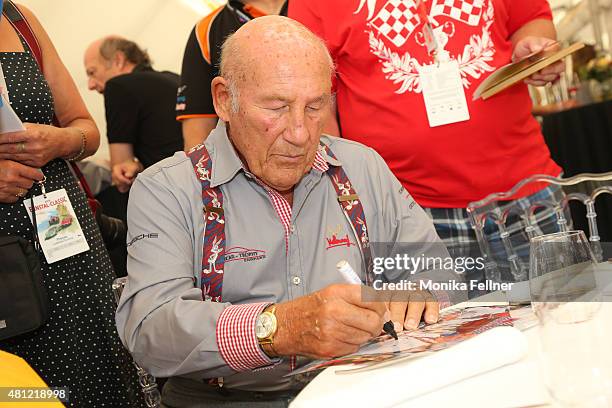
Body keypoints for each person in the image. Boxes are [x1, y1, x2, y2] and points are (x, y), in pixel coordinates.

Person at [117, 16, 456, 406]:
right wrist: (279, 327)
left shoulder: (360, 166)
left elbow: (436, 271)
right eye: (276, 107)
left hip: (359, 390)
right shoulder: (168, 188)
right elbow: (151, 331)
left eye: (315, 106)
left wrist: (419, 293)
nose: (300, 133)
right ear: (225, 100)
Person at [289, 0, 566, 288]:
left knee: (565, 318)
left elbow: (533, 19)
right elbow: (317, 103)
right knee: (441, 331)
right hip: (407, 215)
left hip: (525, 191)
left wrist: (533, 48)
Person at [0, 1, 143, 406]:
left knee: (102, 372)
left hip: (68, 243)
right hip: (7, 275)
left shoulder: (18, 18)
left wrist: (58, 141)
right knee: (26, 391)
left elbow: (86, 129)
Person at [177, 0, 288, 151]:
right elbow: (197, 138)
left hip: (322, 150)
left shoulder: (318, 7)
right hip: (250, 163)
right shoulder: (207, 30)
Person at [84, 36, 183, 193]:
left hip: (174, 191)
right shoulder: (174, 78)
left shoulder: (118, 86)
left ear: (118, 60)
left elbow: (122, 172)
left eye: (92, 72)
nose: (90, 85)